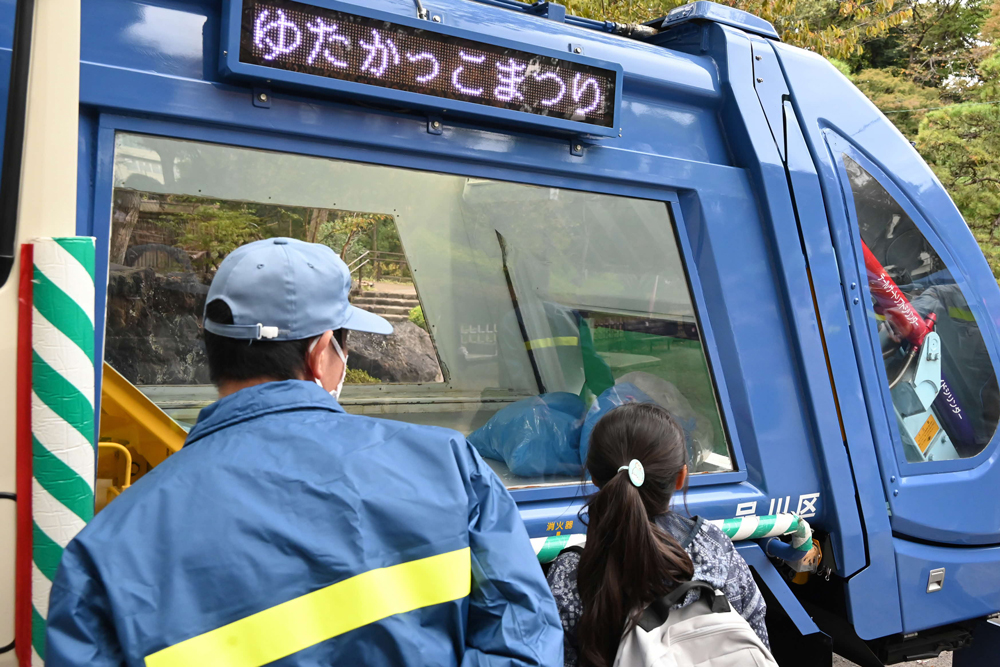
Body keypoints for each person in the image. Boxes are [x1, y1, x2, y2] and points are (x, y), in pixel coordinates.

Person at [46, 238, 562, 666]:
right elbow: (526, 645)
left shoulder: (105, 553)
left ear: (212, 351)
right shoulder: (452, 468)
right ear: (322, 354)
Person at [546, 402, 768, 667]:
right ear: (681, 477)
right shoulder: (713, 546)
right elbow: (757, 636)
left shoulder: (571, 572)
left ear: (594, 476)